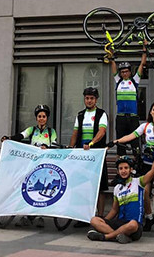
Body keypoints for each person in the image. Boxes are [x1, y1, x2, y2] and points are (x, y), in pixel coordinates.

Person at [111, 101, 154, 234]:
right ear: (150, 112)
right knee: (145, 192)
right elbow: (131, 136)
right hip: (147, 164)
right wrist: (116, 141)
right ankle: (149, 217)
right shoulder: (145, 126)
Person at [87, 148, 154, 244]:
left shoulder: (138, 182)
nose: (123, 171)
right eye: (121, 169)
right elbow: (114, 210)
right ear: (118, 171)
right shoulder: (117, 188)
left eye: (126, 168)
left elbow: (153, 171)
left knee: (133, 224)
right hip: (120, 223)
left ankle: (106, 237)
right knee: (94, 220)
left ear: (131, 169)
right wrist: (103, 221)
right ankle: (119, 236)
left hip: (134, 226)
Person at [3, 104, 58, 228]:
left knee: (41, 190)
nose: (41, 119)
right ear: (36, 118)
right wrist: (9, 138)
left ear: (47, 118)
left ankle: (39, 217)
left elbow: (54, 144)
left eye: (44, 116)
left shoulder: (51, 132)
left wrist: (47, 147)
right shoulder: (32, 130)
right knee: (29, 189)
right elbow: (21, 136)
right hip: (32, 164)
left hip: (45, 165)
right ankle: (26, 216)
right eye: (39, 116)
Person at [70, 86, 109, 226]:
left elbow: (102, 131)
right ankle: (84, 217)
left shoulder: (101, 114)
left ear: (96, 99)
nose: (89, 101)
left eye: (92, 98)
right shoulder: (80, 115)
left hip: (97, 155)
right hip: (82, 156)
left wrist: (91, 143)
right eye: (87, 98)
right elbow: (75, 134)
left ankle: (100, 216)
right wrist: (70, 149)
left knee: (100, 187)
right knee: (83, 186)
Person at [109, 47, 147, 157]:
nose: (124, 73)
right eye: (122, 72)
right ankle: (121, 163)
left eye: (126, 71)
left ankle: (137, 163)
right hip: (120, 117)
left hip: (133, 117)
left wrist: (144, 51)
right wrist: (111, 53)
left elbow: (142, 65)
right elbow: (113, 64)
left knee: (135, 144)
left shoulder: (135, 81)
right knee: (120, 144)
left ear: (130, 72)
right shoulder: (118, 81)